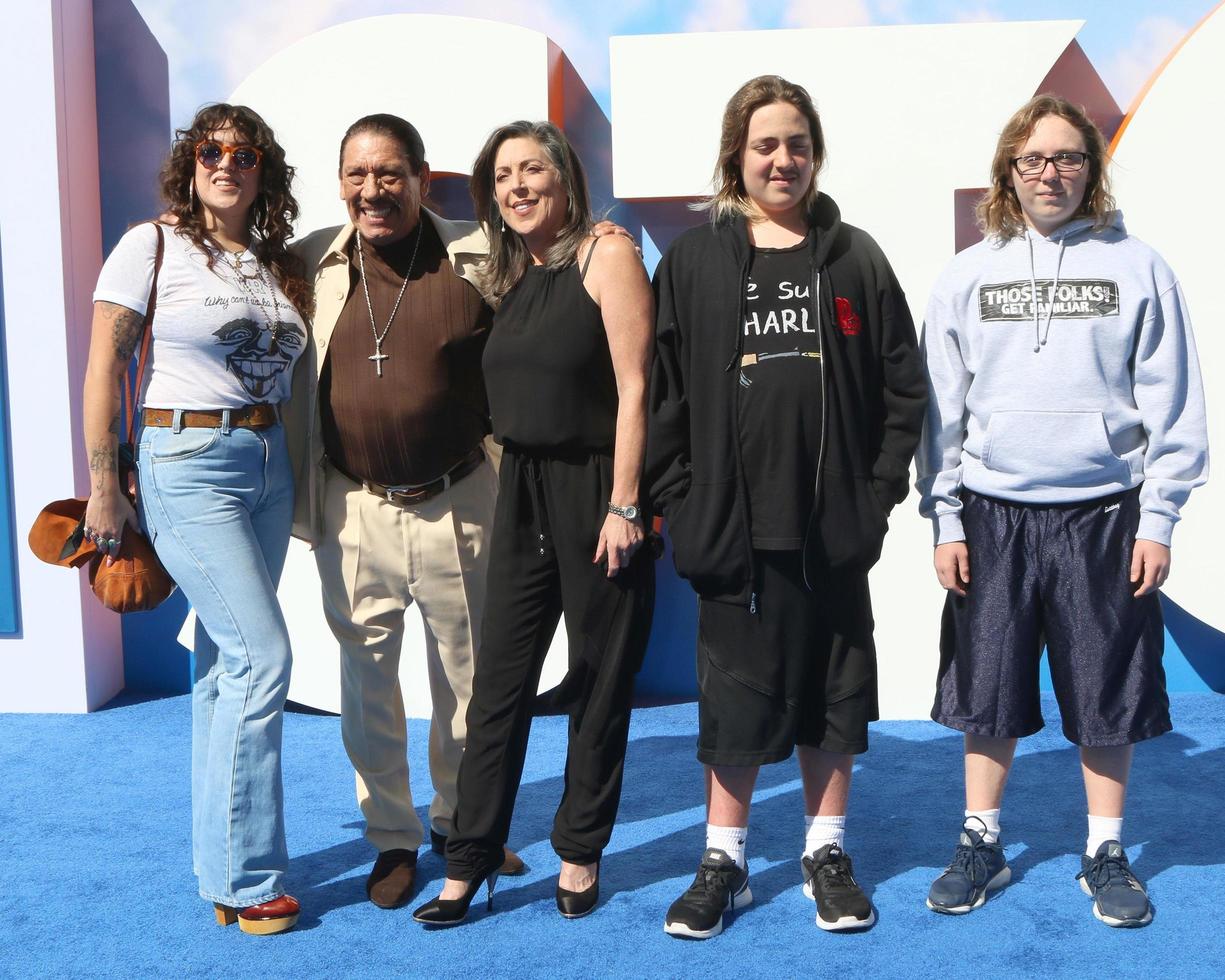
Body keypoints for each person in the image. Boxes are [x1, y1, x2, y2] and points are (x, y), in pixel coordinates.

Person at [917, 94, 1208, 928]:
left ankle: (1104, 851)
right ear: (1008, 171)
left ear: (1092, 168)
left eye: (1068, 158)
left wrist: (1158, 518)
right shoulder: (967, 274)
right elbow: (942, 410)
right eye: (1033, 159)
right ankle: (981, 842)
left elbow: (1173, 402)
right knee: (987, 690)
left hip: (1104, 516)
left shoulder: (1139, 267)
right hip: (991, 514)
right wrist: (944, 516)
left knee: (1104, 691)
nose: (1051, 173)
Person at [647, 75, 926, 938]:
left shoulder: (854, 257)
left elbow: (901, 390)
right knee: (731, 702)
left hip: (829, 534)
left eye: (796, 144)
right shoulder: (695, 261)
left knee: (831, 695)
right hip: (730, 531)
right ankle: (722, 861)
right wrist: (682, 507)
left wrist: (872, 500)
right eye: (765, 144)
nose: (782, 159)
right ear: (737, 154)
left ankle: (824, 852)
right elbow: (662, 401)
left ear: (815, 154)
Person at [412, 120, 655, 926]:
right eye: (503, 175)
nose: (517, 186)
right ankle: (468, 859)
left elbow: (635, 388)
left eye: (532, 170)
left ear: (564, 179)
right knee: (499, 686)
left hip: (597, 492)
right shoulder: (512, 274)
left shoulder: (606, 255)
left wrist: (625, 503)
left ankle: (579, 852)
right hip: (521, 489)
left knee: (597, 680)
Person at [83, 103, 311, 934]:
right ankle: (249, 880)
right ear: (190, 162)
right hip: (186, 462)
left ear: (262, 172)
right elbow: (104, 367)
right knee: (264, 658)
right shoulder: (151, 245)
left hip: (267, 466)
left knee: (224, 670)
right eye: (211, 149)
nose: (227, 163)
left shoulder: (270, 263)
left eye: (244, 153)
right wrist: (106, 482)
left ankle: (220, 864)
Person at [287, 113, 524, 909]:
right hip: (353, 507)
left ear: (423, 178)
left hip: (461, 500)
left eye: (389, 173)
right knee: (367, 686)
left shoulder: (477, 260)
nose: (372, 190)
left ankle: (463, 826)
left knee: (467, 680)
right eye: (357, 174)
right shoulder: (310, 265)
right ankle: (390, 837)